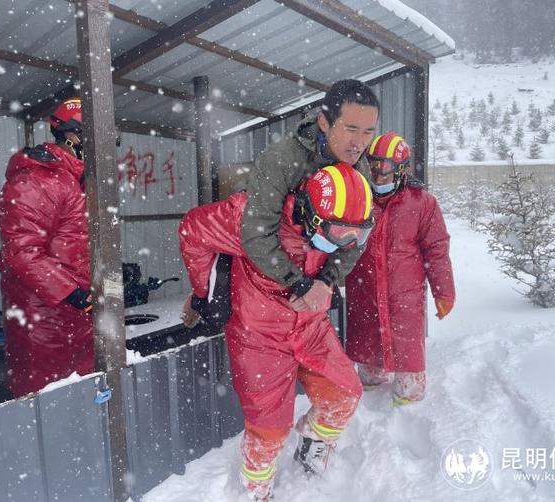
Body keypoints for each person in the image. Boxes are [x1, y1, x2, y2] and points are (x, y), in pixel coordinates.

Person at [179, 163, 374, 501]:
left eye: (357, 234)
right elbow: (192, 229)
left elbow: (344, 247)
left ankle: (312, 445)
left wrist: (326, 281)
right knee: (269, 430)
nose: (348, 243)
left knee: (344, 395)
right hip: (259, 335)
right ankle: (256, 489)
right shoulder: (250, 216)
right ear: (311, 215)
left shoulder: (336, 229)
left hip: (311, 327)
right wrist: (203, 290)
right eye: (341, 233)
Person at [241, 79, 379, 314]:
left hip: (312, 274)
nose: (359, 143)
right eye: (351, 129)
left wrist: (326, 279)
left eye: (369, 131)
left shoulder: (359, 168)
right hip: (260, 275)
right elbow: (257, 233)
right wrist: (300, 283)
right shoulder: (282, 159)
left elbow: (357, 236)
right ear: (324, 122)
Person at [345, 132, 455, 406]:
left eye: (384, 168)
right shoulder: (357, 198)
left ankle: (409, 406)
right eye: (372, 166)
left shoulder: (422, 203)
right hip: (364, 293)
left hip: (404, 297)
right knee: (368, 350)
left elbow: (437, 250)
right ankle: (369, 402)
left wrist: (444, 292)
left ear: (401, 170)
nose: (377, 175)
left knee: (407, 357)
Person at [0, 97, 94, 398]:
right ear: (72, 135)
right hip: (44, 321)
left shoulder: (73, 180)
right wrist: (70, 292)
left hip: (74, 316)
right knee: (45, 401)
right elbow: (21, 251)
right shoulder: (39, 180)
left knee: (81, 398)